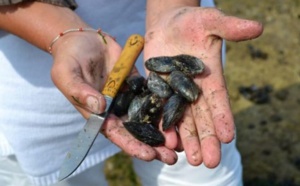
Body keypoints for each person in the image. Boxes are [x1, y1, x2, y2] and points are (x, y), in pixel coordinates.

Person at [0, 0, 263, 185]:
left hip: (178, 35)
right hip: (32, 97)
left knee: (202, 173)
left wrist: (172, 8)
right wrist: (65, 35)